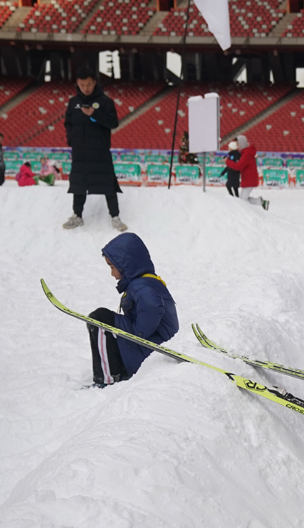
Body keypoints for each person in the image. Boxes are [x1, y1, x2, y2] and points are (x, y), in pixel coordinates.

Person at [88, 233, 179, 388]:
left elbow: (153, 306)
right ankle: (116, 367)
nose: (112, 273)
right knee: (107, 322)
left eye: (112, 267)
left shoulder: (141, 286)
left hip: (154, 352)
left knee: (100, 319)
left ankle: (107, 379)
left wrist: (139, 333)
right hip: (156, 347)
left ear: (125, 265)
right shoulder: (146, 281)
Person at [63, 67, 126, 231]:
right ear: (77, 84)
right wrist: (71, 139)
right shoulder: (73, 103)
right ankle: (77, 215)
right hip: (80, 152)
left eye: (89, 84)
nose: (85, 88)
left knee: (108, 184)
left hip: (100, 151)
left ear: (95, 83)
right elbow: (68, 123)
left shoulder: (105, 102)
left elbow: (113, 123)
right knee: (78, 184)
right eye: (82, 85)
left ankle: (115, 216)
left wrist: (95, 114)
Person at [227, 134, 268, 210]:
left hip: (249, 180)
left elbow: (238, 166)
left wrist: (227, 162)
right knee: (243, 199)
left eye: (237, 144)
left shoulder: (246, 154)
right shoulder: (246, 153)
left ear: (241, 144)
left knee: (243, 200)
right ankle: (260, 201)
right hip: (249, 179)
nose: (237, 146)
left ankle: (259, 203)